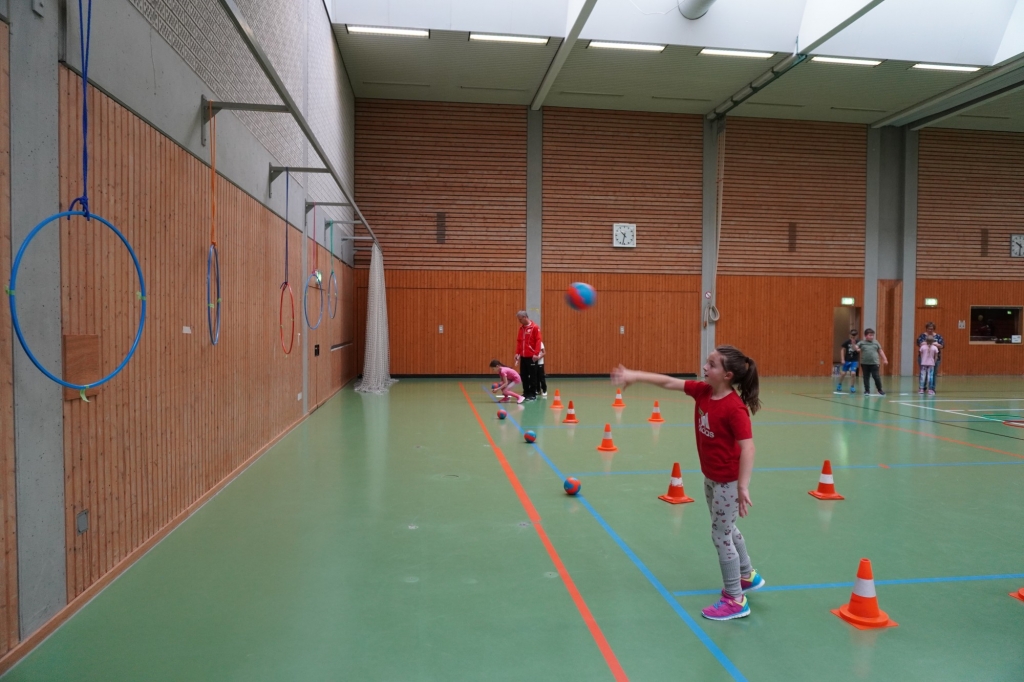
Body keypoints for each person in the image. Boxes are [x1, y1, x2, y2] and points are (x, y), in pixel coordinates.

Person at [611, 346, 764, 621]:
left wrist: (742, 486)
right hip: (712, 478)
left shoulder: (734, 408)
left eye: (712, 365)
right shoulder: (703, 391)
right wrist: (635, 375)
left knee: (720, 535)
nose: (705, 367)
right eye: (707, 362)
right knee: (727, 528)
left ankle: (735, 599)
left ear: (727, 375)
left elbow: (748, 448)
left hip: (728, 482)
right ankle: (746, 575)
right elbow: (669, 382)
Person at [515, 311, 543, 401]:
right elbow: (519, 342)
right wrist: (517, 353)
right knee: (523, 375)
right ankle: (526, 392)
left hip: (531, 356)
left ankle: (533, 393)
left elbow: (538, 341)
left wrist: (536, 354)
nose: (519, 321)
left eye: (520, 319)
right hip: (523, 356)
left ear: (525, 317)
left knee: (533, 376)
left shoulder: (535, 327)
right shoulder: (521, 328)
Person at [857, 329, 888, 396]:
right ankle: (867, 390)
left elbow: (880, 351)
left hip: (875, 363)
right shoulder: (861, 343)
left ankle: (879, 389)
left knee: (876, 376)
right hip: (865, 363)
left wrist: (885, 359)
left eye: (872, 335)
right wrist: (856, 347)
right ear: (866, 336)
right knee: (866, 377)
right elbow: (856, 348)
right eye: (870, 335)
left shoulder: (876, 342)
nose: (872, 337)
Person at [916, 322, 944, 392]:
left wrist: (935, 344)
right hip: (923, 358)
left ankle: (932, 388)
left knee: (933, 373)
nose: (930, 330)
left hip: (934, 358)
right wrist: (932, 343)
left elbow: (942, 345)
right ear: (926, 329)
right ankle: (922, 387)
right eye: (929, 329)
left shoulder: (938, 337)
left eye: (931, 329)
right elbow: (920, 344)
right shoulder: (922, 336)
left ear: (934, 329)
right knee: (923, 373)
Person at [836, 330, 860, 394]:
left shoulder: (859, 342)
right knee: (843, 373)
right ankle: (839, 384)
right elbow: (842, 350)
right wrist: (842, 359)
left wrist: (853, 344)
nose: (853, 337)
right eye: (852, 336)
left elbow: (858, 350)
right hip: (847, 360)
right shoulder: (846, 342)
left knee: (853, 373)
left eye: (854, 336)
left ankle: (852, 386)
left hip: (854, 360)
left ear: (857, 336)